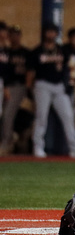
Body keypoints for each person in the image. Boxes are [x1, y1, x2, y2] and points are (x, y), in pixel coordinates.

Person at [26, 22, 75, 158]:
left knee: (68, 116)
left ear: (56, 34)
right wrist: (29, 89)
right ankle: (38, 147)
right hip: (42, 85)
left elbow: (72, 66)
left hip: (59, 86)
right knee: (41, 117)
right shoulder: (37, 51)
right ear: (44, 33)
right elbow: (30, 73)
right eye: (48, 31)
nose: (51, 34)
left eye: (53, 32)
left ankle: (74, 148)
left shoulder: (62, 50)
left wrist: (70, 83)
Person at [0, 25, 29, 155]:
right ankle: (8, 140)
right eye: (12, 34)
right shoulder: (6, 51)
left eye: (17, 34)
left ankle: (6, 143)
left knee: (7, 115)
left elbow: (31, 72)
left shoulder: (26, 52)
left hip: (18, 86)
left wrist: (29, 90)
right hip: (6, 85)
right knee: (5, 115)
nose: (14, 37)